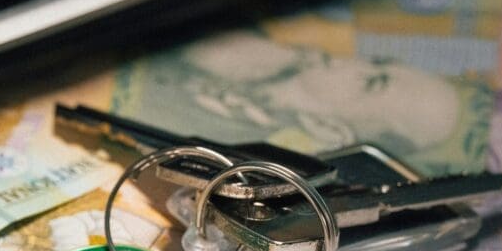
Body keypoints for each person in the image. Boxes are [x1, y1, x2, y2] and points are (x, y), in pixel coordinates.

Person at [177, 32, 463, 154]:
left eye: (371, 82)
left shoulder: (231, 145)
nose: (356, 61)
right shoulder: (265, 46)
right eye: (376, 61)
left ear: (330, 130)